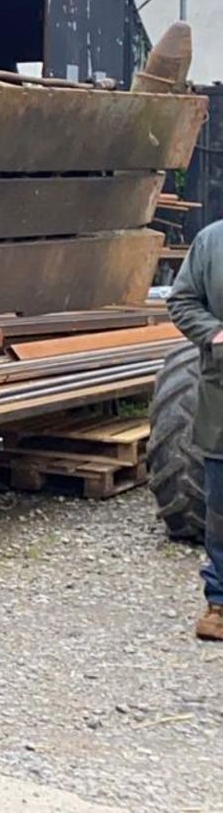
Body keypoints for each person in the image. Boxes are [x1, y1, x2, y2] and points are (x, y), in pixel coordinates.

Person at [165, 219, 223, 642]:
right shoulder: (212, 241)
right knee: (220, 508)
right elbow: (182, 300)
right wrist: (215, 333)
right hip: (221, 399)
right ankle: (219, 604)